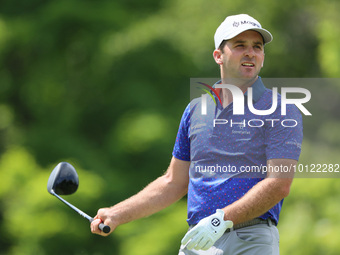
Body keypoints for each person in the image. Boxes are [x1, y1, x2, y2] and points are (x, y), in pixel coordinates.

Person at [91, 14, 303, 255]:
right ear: (218, 56)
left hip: (250, 239)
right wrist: (118, 213)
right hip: (198, 241)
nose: (251, 53)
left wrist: (220, 220)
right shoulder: (196, 111)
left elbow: (279, 184)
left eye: (257, 47)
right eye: (239, 45)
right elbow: (174, 182)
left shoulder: (280, 110)